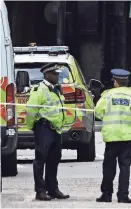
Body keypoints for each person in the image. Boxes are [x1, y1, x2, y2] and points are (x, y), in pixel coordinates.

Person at [95, 69, 131, 203]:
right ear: (127, 82)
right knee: (125, 167)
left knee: (108, 167)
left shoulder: (107, 96)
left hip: (111, 137)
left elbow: (97, 113)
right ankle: (123, 195)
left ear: (115, 82)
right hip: (127, 137)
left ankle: (106, 194)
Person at [26, 63, 69, 201]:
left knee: (54, 159)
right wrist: (32, 126)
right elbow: (31, 110)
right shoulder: (39, 90)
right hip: (44, 128)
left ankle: (53, 189)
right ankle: (40, 191)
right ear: (46, 75)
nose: (57, 76)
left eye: (57, 74)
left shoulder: (56, 89)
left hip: (56, 129)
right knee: (41, 159)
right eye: (54, 74)